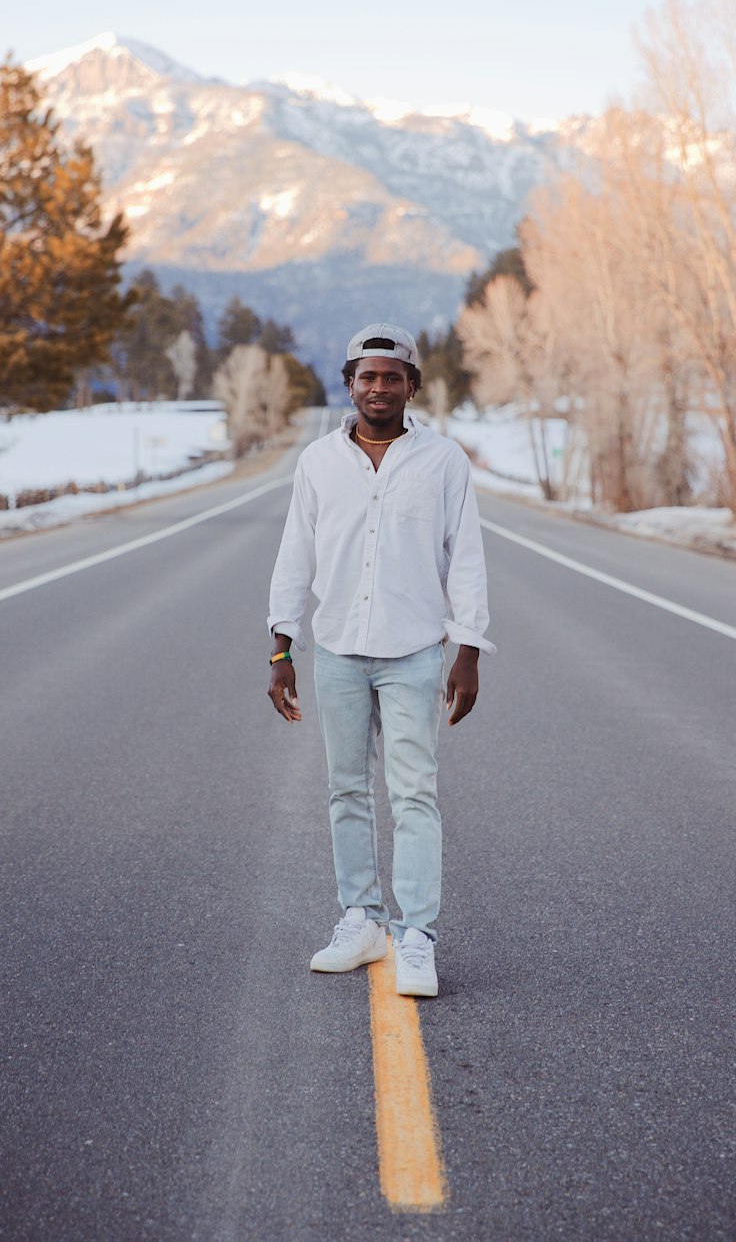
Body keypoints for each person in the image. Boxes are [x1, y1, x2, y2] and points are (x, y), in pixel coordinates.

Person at [267, 322, 495, 997]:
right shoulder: (316, 464)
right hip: (336, 648)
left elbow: (469, 560)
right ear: (349, 384)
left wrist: (469, 651)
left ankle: (417, 934)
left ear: (412, 387)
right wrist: (282, 645)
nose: (378, 387)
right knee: (345, 790)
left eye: (392, 376)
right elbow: (293, 557)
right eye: (366, 376)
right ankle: (361, 920)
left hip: (415, 651)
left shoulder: (444, 461)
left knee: (414, 792)